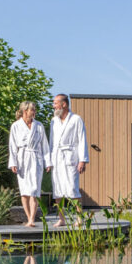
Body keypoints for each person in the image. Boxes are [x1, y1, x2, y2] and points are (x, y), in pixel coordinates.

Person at [8, 101, 52, 227]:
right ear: (25, 111)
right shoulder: (16, 126)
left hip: (36, 159)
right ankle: (28, 217)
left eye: (35, 109)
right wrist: (13, 162)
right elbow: (12, 146)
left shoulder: (39, 126)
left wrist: (47, 162)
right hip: (22, 159)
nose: (34, 112)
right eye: (32, 109)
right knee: (24, 191)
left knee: (35, 190)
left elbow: (45, 145)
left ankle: (32, 219)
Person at [49, 94, 89, 227]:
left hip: (71, 157)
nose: (53, 106)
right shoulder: (53, 121)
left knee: (72, 189)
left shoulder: (76, 119)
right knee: (57, 190)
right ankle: (62, 219)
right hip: (56, 157)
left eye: (55, 103)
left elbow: (82, 139)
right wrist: (49, 160)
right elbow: (51, 142)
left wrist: (82, 160)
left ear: (64, 104)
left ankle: (79, 218)